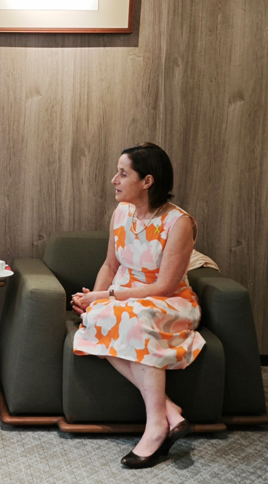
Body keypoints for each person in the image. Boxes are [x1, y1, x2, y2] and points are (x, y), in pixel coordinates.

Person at [71, 143, 205, 469]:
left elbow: (165, 287)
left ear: (147, 181)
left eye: (122, 173)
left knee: (137, 318)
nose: (114, 180)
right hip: (126, 299)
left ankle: (155, 426)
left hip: (169, 303)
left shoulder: (179, 222)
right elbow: (110, 265)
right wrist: (92, 300)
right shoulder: (121, 213)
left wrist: (106, 296)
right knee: (96, 319)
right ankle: (169, 411)